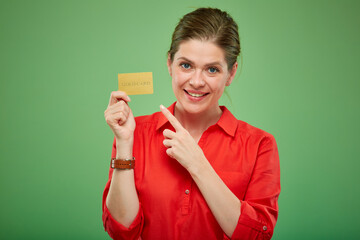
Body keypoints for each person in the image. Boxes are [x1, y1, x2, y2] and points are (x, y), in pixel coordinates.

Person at [102, 7, 280, 240]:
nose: (196, 81)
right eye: (186, 65)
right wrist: (125, 142)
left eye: (212, 69)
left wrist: (198, 164)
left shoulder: (260, 145)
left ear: (231, 73)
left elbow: (256, 236)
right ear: (169, 63)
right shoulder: (135, 132)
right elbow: (121, 231)